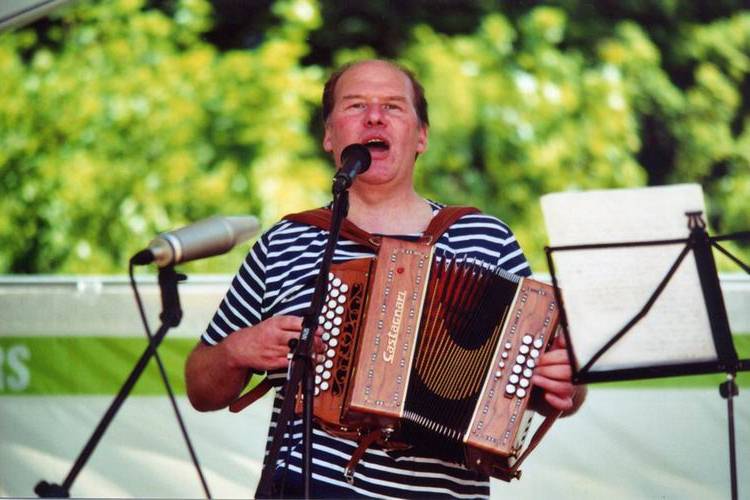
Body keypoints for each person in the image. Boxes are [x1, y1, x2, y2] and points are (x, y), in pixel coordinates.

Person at [185, 59, 586, 498]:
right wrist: (237, 350)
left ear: (421, 136)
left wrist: (566, 383)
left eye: (393, 107)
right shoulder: (287, 241)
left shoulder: (483, 239)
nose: (374, 116)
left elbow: (554, 382)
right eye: (355, 105)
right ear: (329, 135)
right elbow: (201, 389)